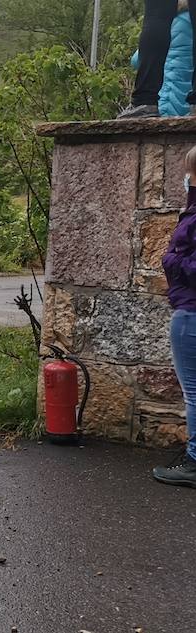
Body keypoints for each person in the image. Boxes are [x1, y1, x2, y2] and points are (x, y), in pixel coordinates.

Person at [154, 145, 196, 487]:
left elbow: (187, 264)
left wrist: (173, 262)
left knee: (194, 392)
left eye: (191, 175)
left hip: (191, 312)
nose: (187, 181)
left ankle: (195, 462)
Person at [121, 0, 196, 118]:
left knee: (157, 12)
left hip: (164, 100)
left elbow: (136, 61)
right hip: (184, 102)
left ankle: (144, 102)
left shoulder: (171, 24)